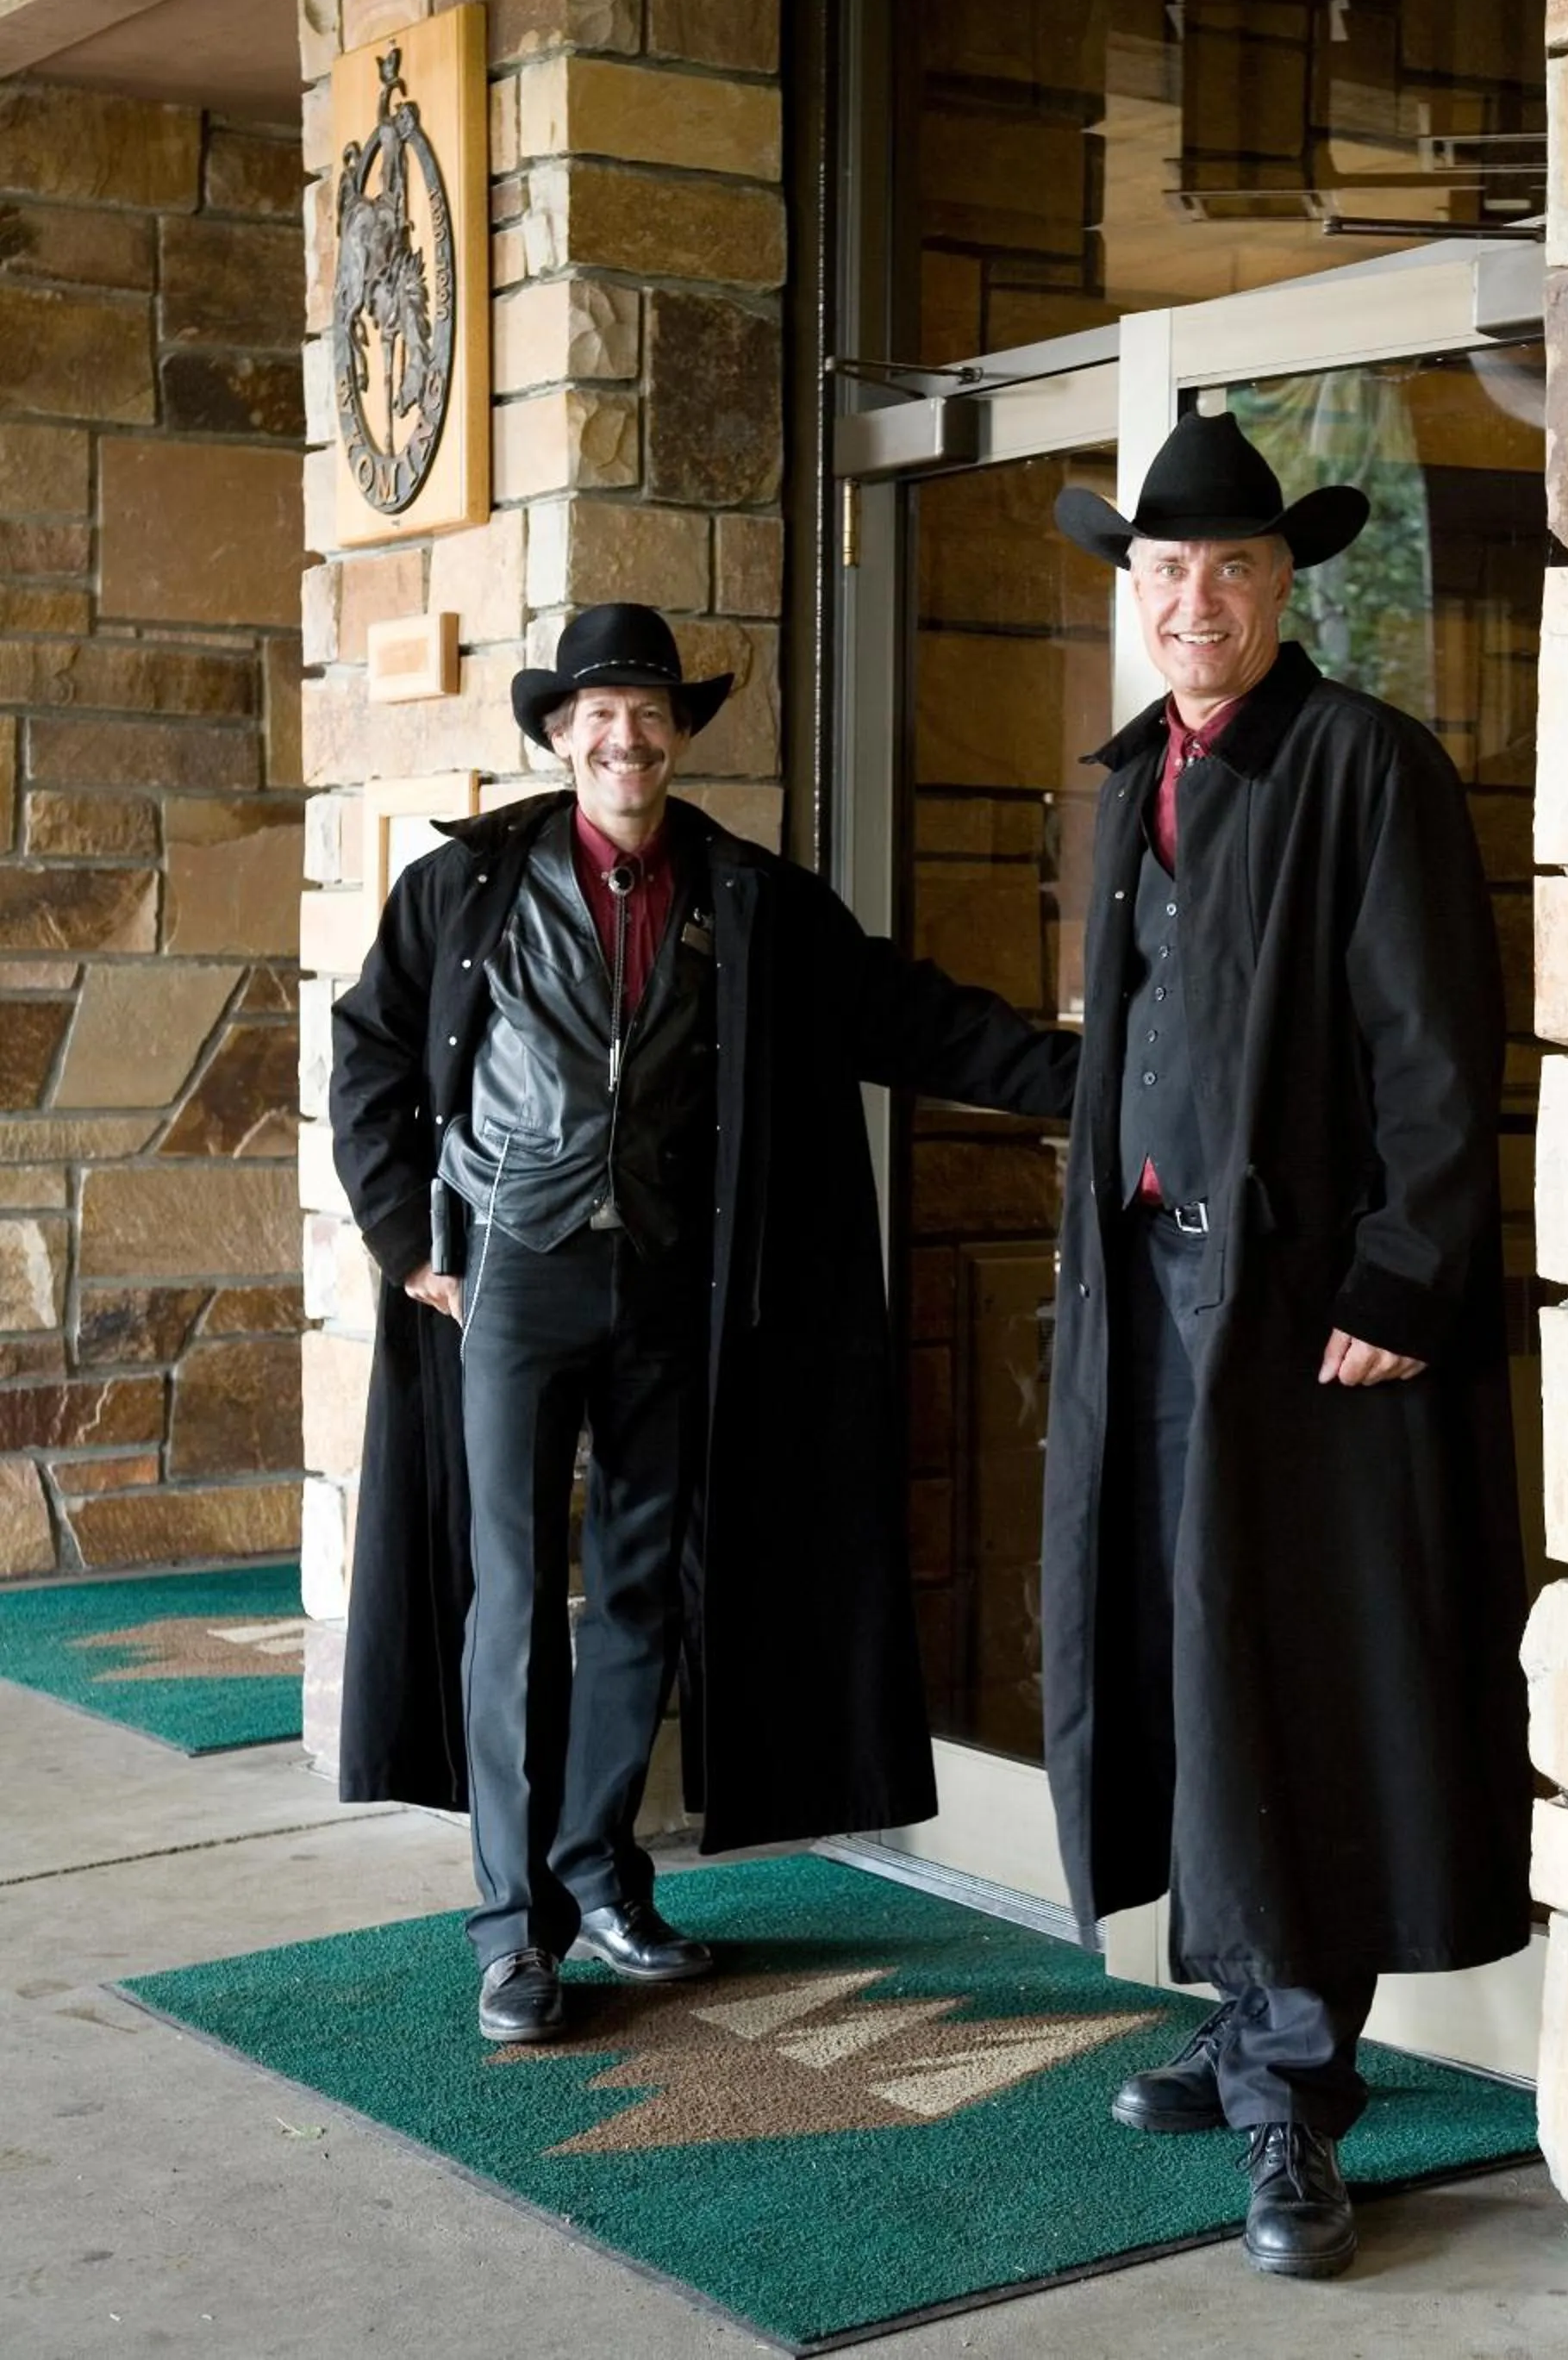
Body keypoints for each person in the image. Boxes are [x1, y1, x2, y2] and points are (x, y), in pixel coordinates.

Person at [329, 602, 1078, 2044]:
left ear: (678, 736)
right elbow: (370, 1050)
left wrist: (1102, 1082)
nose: (626, 736)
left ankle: (600, 1867)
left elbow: (908, 1017)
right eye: (598, 713)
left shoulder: (751, 897)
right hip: (509, 1276)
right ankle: (511, 1929)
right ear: (558, 734)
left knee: (642, 1591)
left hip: (674, 1285)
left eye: (650, 713)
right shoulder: (467, 889)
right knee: (507, 1599)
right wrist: (399, 1234)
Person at [1040, 413, 1530, 2281]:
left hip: (1308, 1319)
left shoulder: (1362, 764)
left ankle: (1294, 2094)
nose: (1193, 601)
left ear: (1282, 586)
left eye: (1229, 569)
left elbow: (1431, 1045)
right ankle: (1250, 2008)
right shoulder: (1138, 779)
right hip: (1159, 1297)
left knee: (1301, 1670)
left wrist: (1403, 1278)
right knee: (1194, 1653)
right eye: (1164, 573)